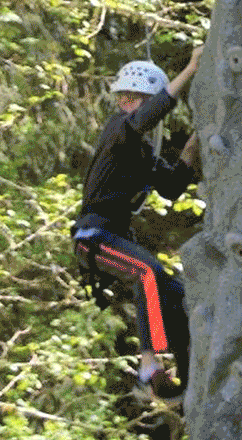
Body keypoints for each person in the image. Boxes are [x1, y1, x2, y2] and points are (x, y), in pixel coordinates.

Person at [72, 47, 203, 408]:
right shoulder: (118, 131)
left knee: (177, 293)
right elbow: (143, 118)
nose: (128, 103)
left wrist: (197, 139)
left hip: (111, 237)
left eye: (135, 98)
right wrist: (190, 69)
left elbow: (173, 186)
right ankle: (148, 366)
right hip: (93, 236)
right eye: (125, 97)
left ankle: (186, 382)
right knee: (147, 271)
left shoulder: (142, 152)